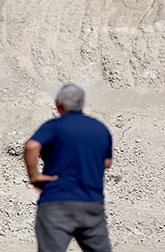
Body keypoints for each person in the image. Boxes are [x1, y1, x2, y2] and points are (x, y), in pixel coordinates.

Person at [24, 83, 113, 252]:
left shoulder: (54, 126)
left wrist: (34, 176)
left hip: (57, 201)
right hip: (91, 202)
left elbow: (31, 146)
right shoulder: (100, 128)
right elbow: (107, 163)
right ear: (83, 103)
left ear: (59, 104)